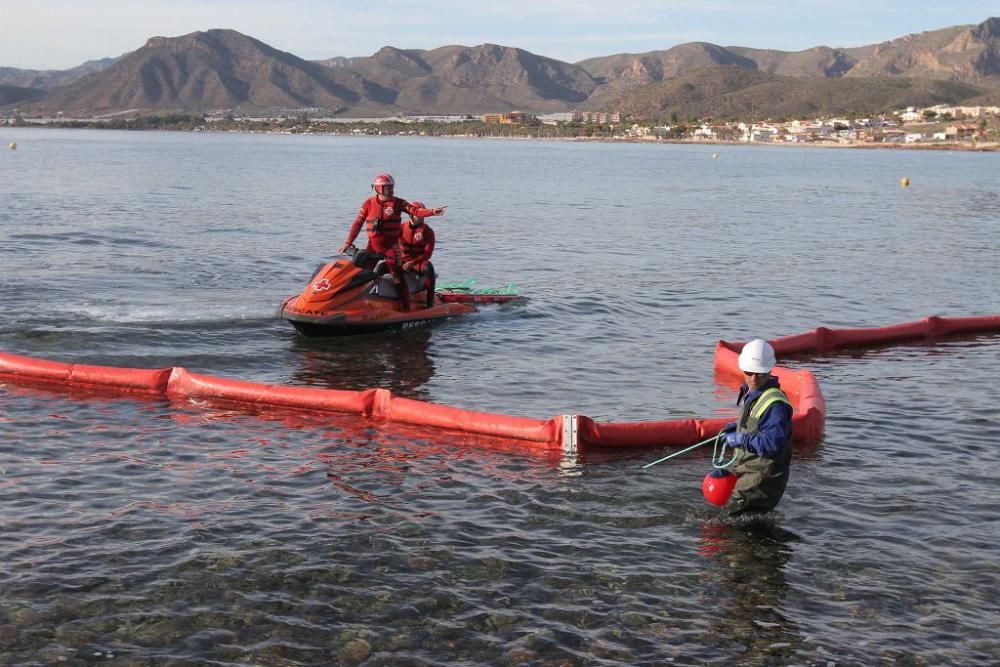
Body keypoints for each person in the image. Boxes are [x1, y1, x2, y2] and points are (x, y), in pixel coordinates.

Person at [338, 174, 446, 310]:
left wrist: (432, 212)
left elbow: (415, 210)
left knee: (398, 279)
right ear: (379, 189)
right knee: (360, 275)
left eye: (392, 187)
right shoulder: (368, 203)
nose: (392, 190)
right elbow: (357, 224)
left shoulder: (398, 203)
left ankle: (406, 310)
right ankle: (350, 303)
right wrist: (348, 243)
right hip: (372, 247)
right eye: (388, 187)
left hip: (391, 249)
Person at [719, 338, 793, 517]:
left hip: (762, 478)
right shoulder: (751, 393)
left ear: (769, 371)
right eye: (749, 372)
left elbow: (772, 444)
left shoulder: (775, 405)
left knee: (729, 520)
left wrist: (740, 439)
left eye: (760, 374)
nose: (754, 379)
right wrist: (737, 428)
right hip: (748, 470)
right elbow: (756, 426)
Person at [399, 201, 437, 308]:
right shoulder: (401, 228)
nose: (422, 217)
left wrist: (413, 262)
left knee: (428, 267)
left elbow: (427, 254)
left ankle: (429, 302)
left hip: (417, 263)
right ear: (411, 214)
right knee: (382, 267)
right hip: (402, 262)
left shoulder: (428, 231)